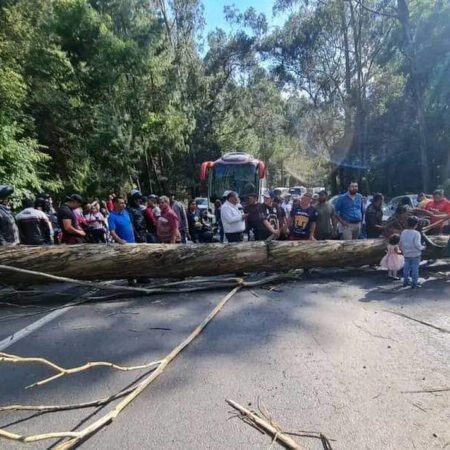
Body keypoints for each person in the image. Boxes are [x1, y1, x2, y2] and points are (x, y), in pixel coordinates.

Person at [400, 216, 425, 288]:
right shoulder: (416, 233)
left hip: (406, 253)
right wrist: (423, 248)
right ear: (416, 224)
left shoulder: (403, 232)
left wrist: (401, 250)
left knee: (406, 268)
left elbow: (401, 242)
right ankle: (414, 283)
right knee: (415, 269)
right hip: (415, 254)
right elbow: (417, 245)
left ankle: (405, 281)